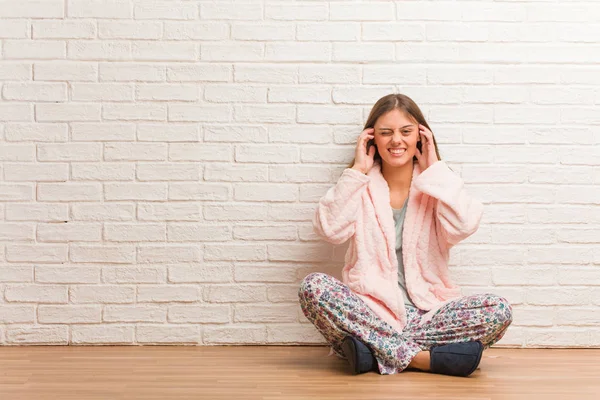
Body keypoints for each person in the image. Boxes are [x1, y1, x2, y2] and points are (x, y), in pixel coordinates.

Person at [298, 94, 513, 377]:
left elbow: (464, 225)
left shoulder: (436, 185)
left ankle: (371, 352)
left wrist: (436, 169)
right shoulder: (360, 184)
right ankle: (423, 359)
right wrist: (357, 170)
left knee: (498, 310)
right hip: (372, 310)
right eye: (386, 132)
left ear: (421, 137)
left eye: (406, 132)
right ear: (372, 139)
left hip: (428, 313)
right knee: (313, 287)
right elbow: (329, 229)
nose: (396, 140)